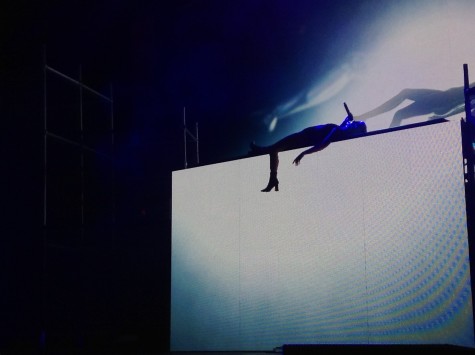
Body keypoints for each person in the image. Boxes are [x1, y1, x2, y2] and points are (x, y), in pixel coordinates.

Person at [250, 103, 367, 192]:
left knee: (274, 149)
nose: (355, 122)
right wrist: (347, 119)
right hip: (303, 136)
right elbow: (341, 128)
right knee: (274, 149)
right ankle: (272, 178)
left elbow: (323, 144)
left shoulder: (337, 131)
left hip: (302, 139)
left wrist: (304, 153)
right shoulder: (340, 131)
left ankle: (272, 179)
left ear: (356, 131)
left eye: (357, 124)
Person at [355, 84, 474, 128]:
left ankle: (389, 136)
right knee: (405, 92)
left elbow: (464, 107)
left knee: (399, 114)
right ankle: (365, 116)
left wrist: (443, 115)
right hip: (442, 95)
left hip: (441, 101)